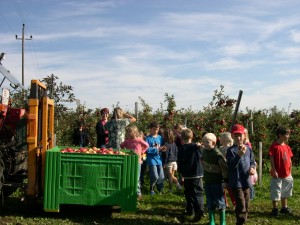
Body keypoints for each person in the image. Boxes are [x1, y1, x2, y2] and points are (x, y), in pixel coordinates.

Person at [226, 124, 256, 225]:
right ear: (232, 137)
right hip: (236, 181)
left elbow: (252, 161)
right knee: (240, 203)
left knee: (246, 202)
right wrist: (239, 155)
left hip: (246, 180)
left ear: (244, 136)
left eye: (240, 135)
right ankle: (240, 221)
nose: (238, 138)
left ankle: (243, 220)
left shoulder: (248, 149)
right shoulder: (231, 150)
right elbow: (231, 166)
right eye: (236, 135)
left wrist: (252, 168)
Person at [177, 128, 204, 223]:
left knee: (188, 193)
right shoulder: (196, 147)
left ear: (181, 138)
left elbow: (179, 162)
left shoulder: (181, 149)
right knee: (198, 192)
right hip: (198, 173)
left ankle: (193, 210)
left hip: (187, 174)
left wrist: (180, 172)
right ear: (192, 137)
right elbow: (202, 156)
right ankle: (198, 208)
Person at [202, 133, 227, 225]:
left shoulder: (217, 154)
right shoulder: (204, 151)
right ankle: (212, 221)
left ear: (213, 142)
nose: (205, 144)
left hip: (217, 181)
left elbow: (224, 168)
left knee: (220, 201)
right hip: (208, 181)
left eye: (207, 142)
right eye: (203, 142)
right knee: (209, 201)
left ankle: (222, 221)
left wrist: (225, 180)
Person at [269, 126, 293, 217]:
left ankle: (284, 207)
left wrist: (290, 170)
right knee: (276, 191)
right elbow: (271, 158)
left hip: (287, 174)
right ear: (280, 135)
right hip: (277, 175)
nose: (288, 136)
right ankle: (275, 209)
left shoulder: (287, 147)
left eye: (288, 134)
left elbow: (290, 159)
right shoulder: (274, 146)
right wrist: (274, 170)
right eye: (286, 134)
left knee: (285, 191)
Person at [120, 125, 149, 200]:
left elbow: (146, 145)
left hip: (138, 161)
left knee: (137, 177)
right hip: (130, 161)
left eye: (130, 132)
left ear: (135, 132)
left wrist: (142, 152)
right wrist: (125, 151)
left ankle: (138, 193)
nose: (129, 133)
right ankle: (129, 192)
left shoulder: (139, 140)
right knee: (130, 176)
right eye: (128, 132)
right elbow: (121, 145)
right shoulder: (127, 140)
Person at [145, 121, 166, 195]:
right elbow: (146, 149)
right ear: (150, 129)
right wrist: (157, 149)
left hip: (159, 159)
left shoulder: (160, 138)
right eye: (154, 129)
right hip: (151, 159)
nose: (155, 131)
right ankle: (152, 188)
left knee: (161, 175)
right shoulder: (147, 139)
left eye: (157, 129)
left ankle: (160, 189)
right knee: (154, 175)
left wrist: (163, 149)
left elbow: (163, 146)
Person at [161, 129, 181, 193]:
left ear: (165, 136)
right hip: (174, 162)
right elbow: (176, 152)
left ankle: (176, 185)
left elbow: (166, 154)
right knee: (171, 176)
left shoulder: (166, 144)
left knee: (170, 176)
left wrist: (164, 163)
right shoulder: (174, 143)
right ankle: (171, 189)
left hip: (169, 162)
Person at [219, 132, 236, 208]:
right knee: (223, 188)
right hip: (222, 170)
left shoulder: (228, 149)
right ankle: (225, 202)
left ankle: (233, 202)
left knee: (229, 188)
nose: (219, 139)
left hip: (227, 171)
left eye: (221, 138)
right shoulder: (221, 148)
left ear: (225, 140)